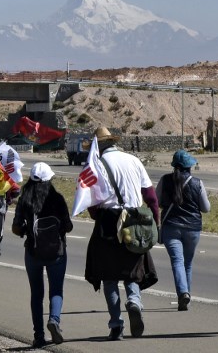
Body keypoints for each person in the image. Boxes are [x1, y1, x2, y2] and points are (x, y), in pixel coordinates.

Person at [85, 127, 159, 341]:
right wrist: (154, 222)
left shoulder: (95, 165)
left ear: (98, 146)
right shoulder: (133, 161)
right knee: (132, 270)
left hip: (107, 222)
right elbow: (151, 196)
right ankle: (134, 301)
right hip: (134, 221)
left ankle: (116, 325)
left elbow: (92, 204)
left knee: (109, 277)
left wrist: (97, 215)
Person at [12, 162, 73, 348]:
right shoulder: (58, 199)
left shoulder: (25, 199)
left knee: (36, 295)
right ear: (50, 179)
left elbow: (15, 228)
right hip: (57, 252)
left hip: (33, 252)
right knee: (56, 291)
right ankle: (54, 320)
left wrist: (25, 230)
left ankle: (38, 336)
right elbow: (69, 226)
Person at [156, 149, 210, 311]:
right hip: (193, 229)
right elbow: (206, 208)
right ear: (189, 167)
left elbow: (157, 201)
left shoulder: (165, 180)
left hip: (171, 227)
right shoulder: (197, 183)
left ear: (174, 166)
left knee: (177, 262)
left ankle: (183, 293)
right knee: (187, 263)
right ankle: (185, 297)